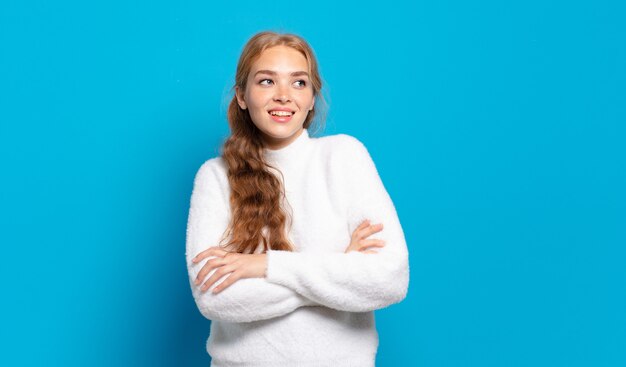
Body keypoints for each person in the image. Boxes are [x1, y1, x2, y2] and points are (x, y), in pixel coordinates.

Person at [185, 30, 409, 367]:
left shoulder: (345, 157)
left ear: (312, 98)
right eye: (266, 81)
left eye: (299, 83)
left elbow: (389, 278)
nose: (284, 96)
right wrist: (339, 269)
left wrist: (265, 266)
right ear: (242, 96)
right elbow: (215, 298)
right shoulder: (215, 176)